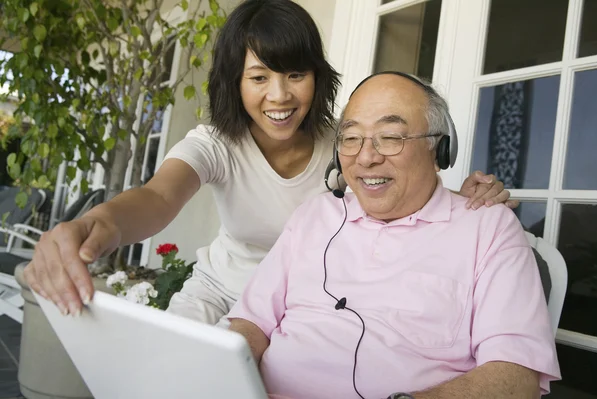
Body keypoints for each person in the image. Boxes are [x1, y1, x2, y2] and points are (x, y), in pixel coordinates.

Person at [24, 0, 515, 320]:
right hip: (217, 293)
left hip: (310, 302)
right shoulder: (215, 144)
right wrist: (96, 225)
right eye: (258, 78)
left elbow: (401, 188)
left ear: (317, 78)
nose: (279, 96)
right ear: (234, 84)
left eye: (295, 74)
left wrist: (464, 196)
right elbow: (157, 195)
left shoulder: (345, 146)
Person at [227, 71, 561, 399]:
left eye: (390, 137)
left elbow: (516, 377)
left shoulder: (488, 229)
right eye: (351, 138)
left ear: (439, 150)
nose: (367, 157)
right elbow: (249, 323)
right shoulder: (313, 216)